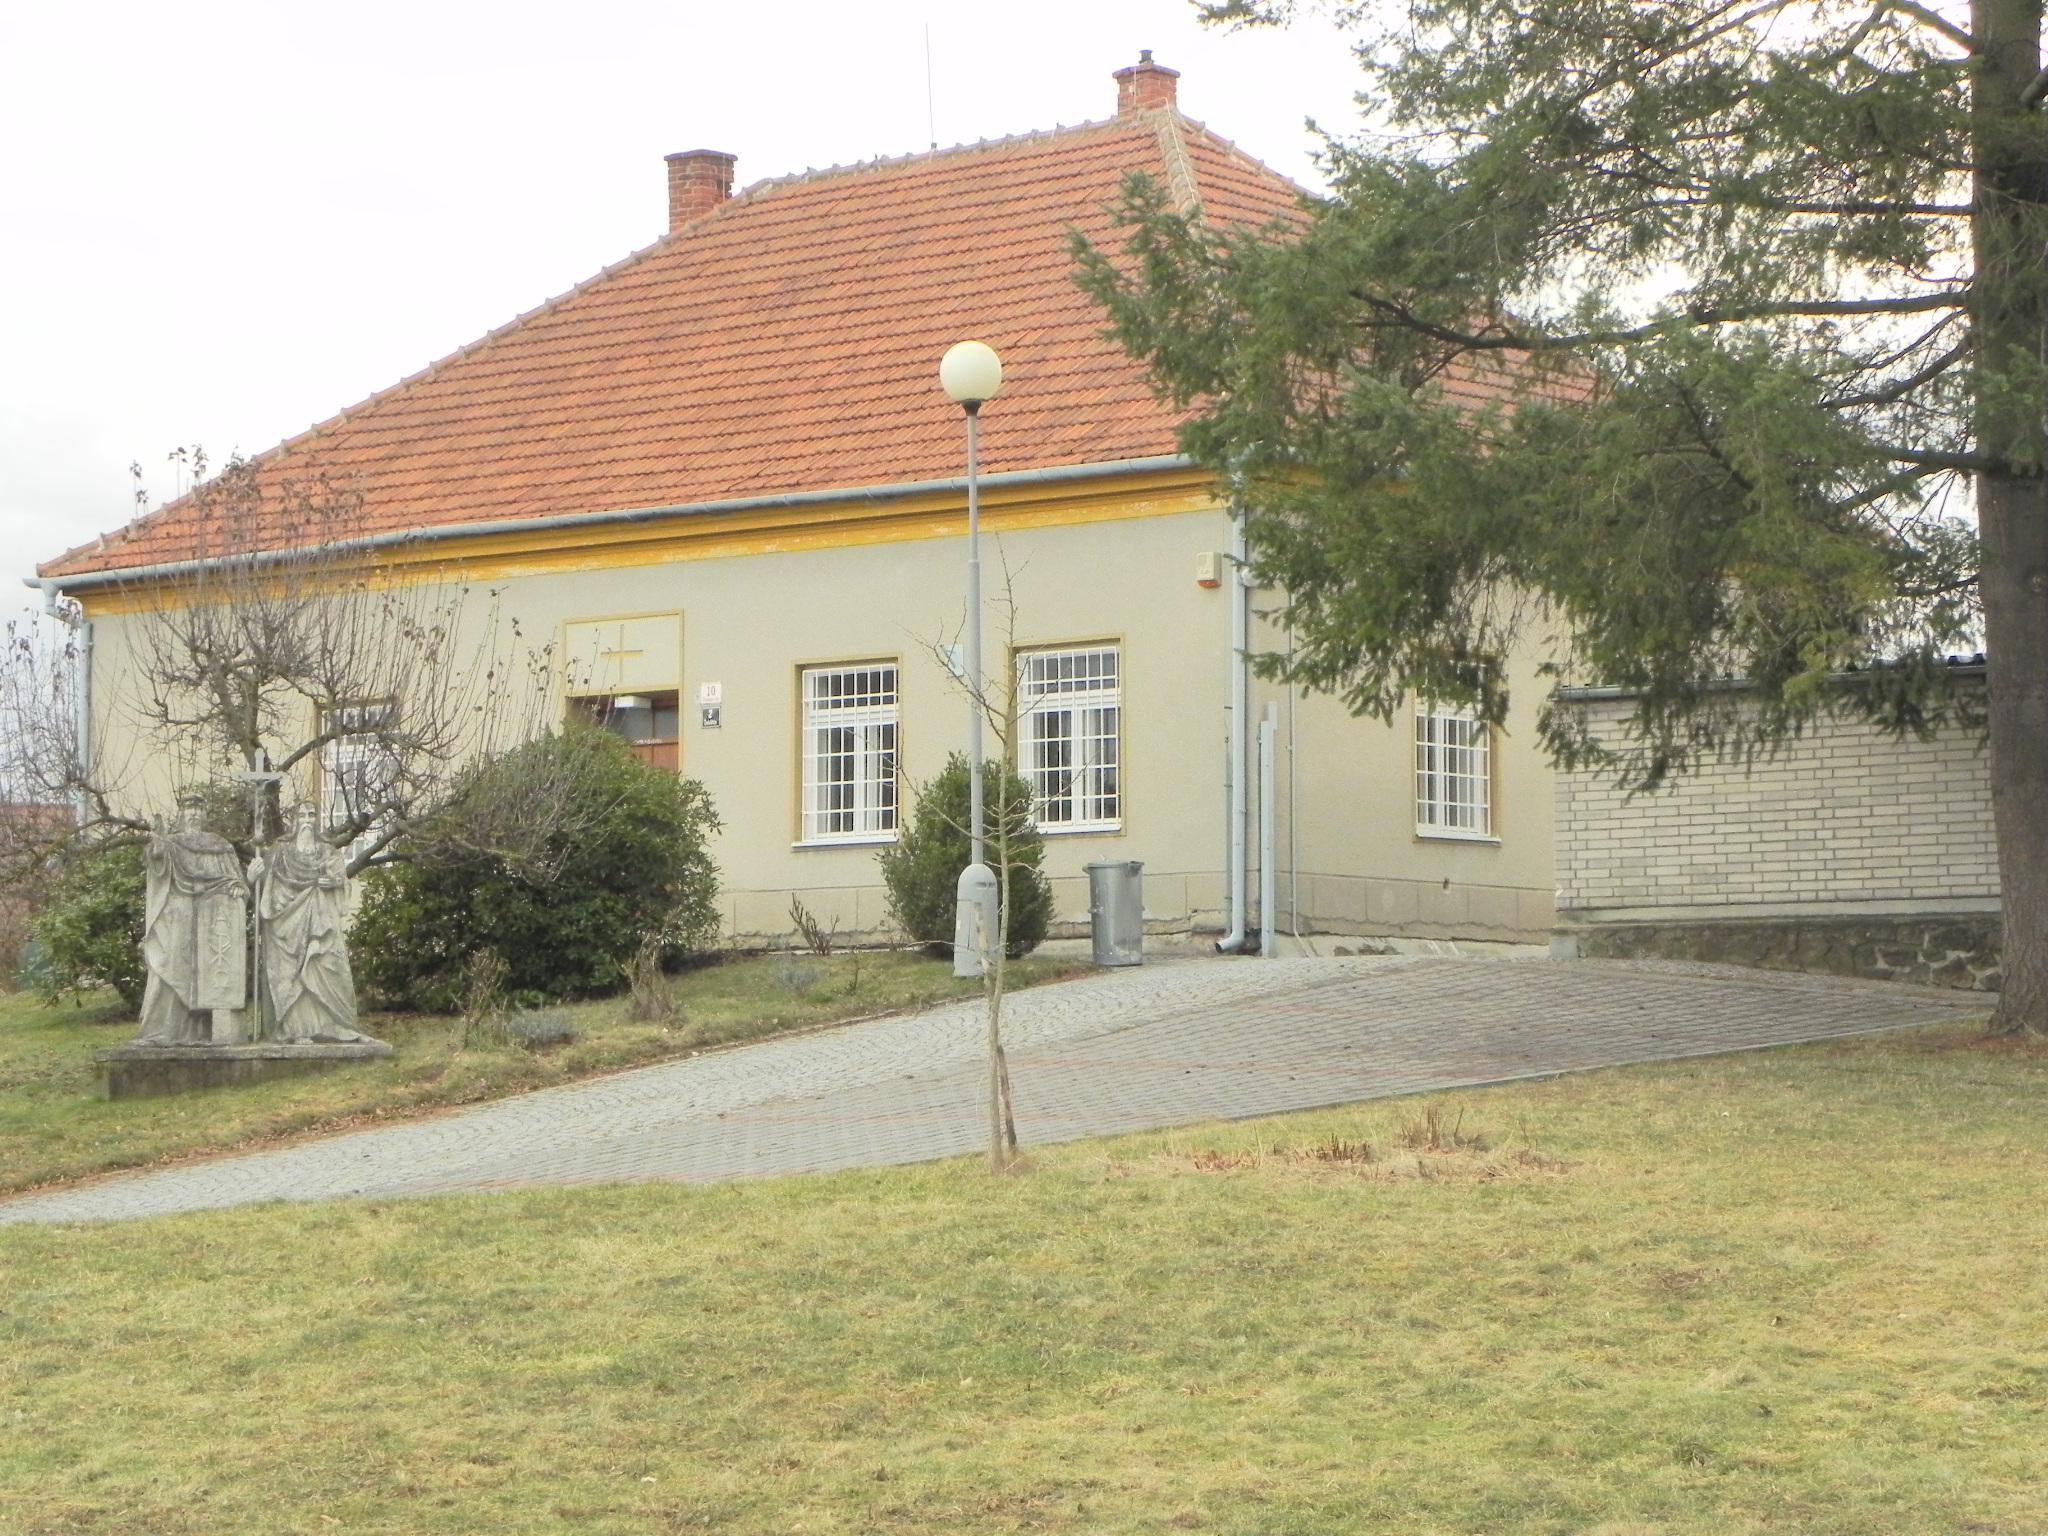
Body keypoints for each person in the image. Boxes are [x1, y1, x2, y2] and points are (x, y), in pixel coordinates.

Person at [137, 792, 249, 1045]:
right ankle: (164, 1030)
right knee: (171, 963)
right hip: (178, 911)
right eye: (189, 809)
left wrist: (237, 888)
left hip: (212, 916)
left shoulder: (219, 845)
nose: (194, 814)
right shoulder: (172, 844)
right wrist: (157, 848)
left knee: (209, 973)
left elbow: (236, 881)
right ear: (182, 813)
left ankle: (202, 1030)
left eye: (199, 809)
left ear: (205, 814)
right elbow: (157, 868)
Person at [250, 804, 368, 1043]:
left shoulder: (327, 852)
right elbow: (265, 889)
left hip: (321, 921)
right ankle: (296, 1030)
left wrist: (332, 881)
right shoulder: (280, 853)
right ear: (293, 822)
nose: (307, 820)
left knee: (328, 966)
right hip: (285, 926)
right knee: (292, 977)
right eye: (301, 816)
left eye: (311, 815)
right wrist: (252, 877)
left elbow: (340, 881)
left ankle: (334, 1025)